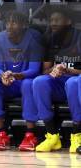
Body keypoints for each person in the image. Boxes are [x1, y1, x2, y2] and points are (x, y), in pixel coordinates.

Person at [0, 12, 43, 151]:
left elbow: (35, 69)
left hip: (25, 80)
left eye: (14, 22)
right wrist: (2, 76)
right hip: (9, 82)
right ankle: (1, 134)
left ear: (24, 25)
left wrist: (18, 75)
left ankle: (30, 135)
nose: (9, 26)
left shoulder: (34, 37)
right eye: (7, 23)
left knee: (29, 83)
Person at [29, 10, 81, 152]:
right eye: (51, 20)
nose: (53, 23)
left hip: (77, 82)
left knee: (72, 83)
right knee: (39, 82)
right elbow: (45, 70)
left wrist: (69, 70)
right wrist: (54, 70)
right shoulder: (49, 39)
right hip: (60, 84)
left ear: (68, 22)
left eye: (57, 20)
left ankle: (77, 135)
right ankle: (52, 135)